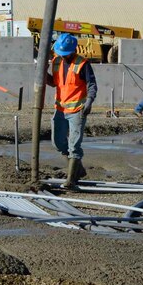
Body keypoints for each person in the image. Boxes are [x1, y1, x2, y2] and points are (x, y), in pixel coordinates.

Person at [46, 33, 97, 189]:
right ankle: (78, 170)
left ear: (73, 51)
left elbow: (92, 85)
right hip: (60, 109)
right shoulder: (56, 62)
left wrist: (89, 101)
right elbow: (53, 83)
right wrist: (42, 72)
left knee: (74, 145)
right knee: (58, 143)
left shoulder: (83, 64)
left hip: (77, 110)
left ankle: (71, 180)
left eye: (66, 54)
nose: (63, 57)